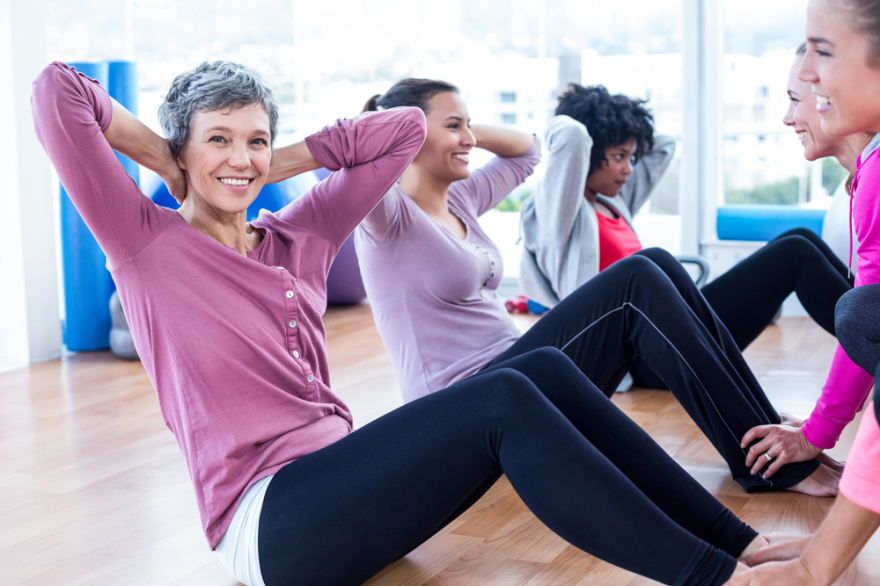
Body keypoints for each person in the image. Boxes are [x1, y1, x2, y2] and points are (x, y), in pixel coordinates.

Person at [32, 61, 765, 586]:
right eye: (218, 139)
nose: (240, 158)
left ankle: (738, 542)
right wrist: (163, 158)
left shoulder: (300, 235)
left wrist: (276, 161)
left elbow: (403, 129)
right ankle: (715, 579)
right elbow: (55, 90)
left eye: (255, 139)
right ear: (185, 148)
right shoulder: (147, 244)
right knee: (504, 398)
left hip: (339, 487)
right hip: (271, 527)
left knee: (541, 369)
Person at [355, 79, 839, 498]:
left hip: (518, 366)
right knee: (640, 277)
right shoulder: (385, 216)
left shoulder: (459, 198)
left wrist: (462, 129)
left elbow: (527, 150)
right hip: (461, 404)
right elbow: (356, 163)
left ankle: (769, 440)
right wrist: (400, 126)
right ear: (408, 132)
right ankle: (770, 465)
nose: (468, 138)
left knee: (656, 264)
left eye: (469, 125)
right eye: (453, 126)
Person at [519, 84, 855, 374]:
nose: (627, 170)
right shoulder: (559, 215)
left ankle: (868, 322)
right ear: (589, 154)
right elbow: (572, 137)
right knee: (793, 254)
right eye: (619, 156)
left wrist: (625, 128)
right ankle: (870, 342)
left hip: (671, 321)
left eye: (630, 158)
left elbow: (663, 145)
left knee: (799, 239)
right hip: (639, 349)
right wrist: (580, 110)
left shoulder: (614, 202)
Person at [737, 0, 880, 483]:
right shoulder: (866, 176)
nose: (788, 117)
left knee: (858, 310)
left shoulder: (875, 174)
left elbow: (868, 319)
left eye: (800, 98)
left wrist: (815, 434)